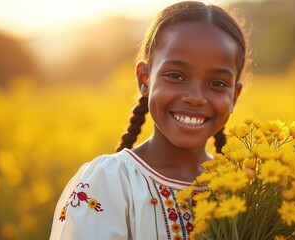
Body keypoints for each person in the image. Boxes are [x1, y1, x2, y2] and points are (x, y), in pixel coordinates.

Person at [50, 1, 248, 239]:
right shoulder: (110, 182)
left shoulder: (243, 189)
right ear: (144, 79)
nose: (195, 98)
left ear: (234, 96)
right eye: (175, 75)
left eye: (217, 83)